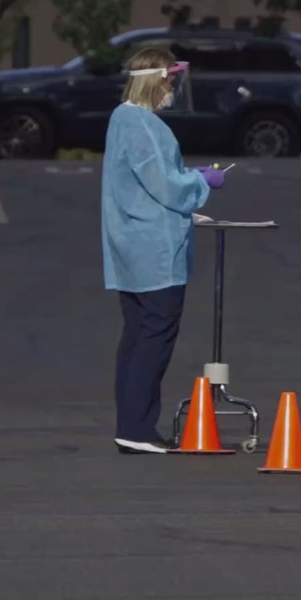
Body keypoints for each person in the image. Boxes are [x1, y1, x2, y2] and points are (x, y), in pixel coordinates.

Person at [101, 48, 226, 454]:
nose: (173, 88)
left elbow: (152, 178)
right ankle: (138, 429)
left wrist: (189, 178)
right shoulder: (143, 125)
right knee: (155, 336)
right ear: (156, 79)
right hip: (154, 249)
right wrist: (203, 183)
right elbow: (167, 186)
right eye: (170, 80)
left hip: (131, 245)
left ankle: (131, 425)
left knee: (136, 336)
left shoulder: (124, 119)